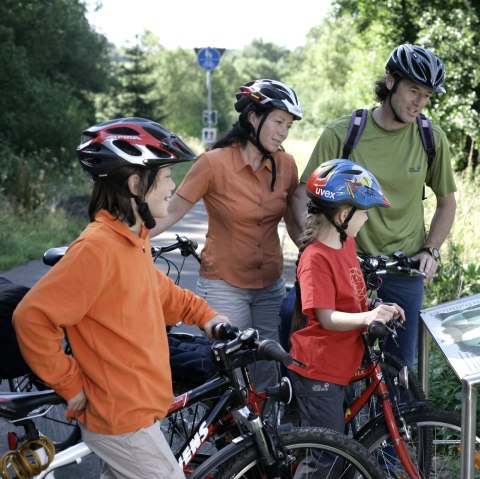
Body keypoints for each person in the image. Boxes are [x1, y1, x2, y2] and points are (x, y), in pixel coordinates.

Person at [13, 118, 229, 479]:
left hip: (137, 409)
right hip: (119, 416)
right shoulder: (97, 248)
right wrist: (70, 385)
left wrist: (206, 316)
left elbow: (158, 291)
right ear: (134, 184)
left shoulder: (133, 238)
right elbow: (32, 318)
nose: (173, 187)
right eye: (165, 179)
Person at [293, 44, 457, 371]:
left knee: (400, 369)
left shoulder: (431, 139)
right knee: (335, 360)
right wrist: (316, 249)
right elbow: (301, 196)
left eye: (427, 95)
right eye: (414, 90)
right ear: (391, 81)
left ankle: (397, 423)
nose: (420, 103)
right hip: (347, 265)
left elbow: (446, 201)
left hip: (404, 269)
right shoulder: (344, 134)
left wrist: (431, 250)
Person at [150, 79, 303, 391]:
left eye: (288, 126)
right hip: (224, 286)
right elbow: (173, 211)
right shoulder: (212, 163)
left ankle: (266, 438)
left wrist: (326, 257)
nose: (283, 132)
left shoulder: (286, 165)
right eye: (278, 122)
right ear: (252, 118)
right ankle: (228, 435)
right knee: (229, 370)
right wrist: (124, 241)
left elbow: (294, 223)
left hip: (270, 284)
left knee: (267, 369)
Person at [287, 158, 405, 435]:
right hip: (319, 370)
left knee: (343, 450)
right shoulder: (315, 258)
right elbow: (327, 318)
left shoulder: (345, 243)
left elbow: (351, 298)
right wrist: (369, 317)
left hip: (340, 365)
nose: (366, 217)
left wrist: (376, 306)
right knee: (324, 458)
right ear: (343, 216)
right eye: (363, 211)